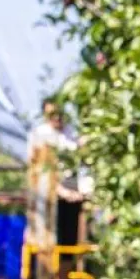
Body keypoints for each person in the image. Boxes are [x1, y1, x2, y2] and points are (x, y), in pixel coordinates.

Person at [27, 99, 88, 246]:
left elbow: (83, 162)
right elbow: (36, 168)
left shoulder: (72, 133)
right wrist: (58, 189)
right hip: (48, 193)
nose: (57, 117)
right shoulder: (39, 134)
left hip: (72, 190)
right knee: (48, 236)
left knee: (70, 238)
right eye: (52, 114)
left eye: (59, 113)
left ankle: (67, 267)